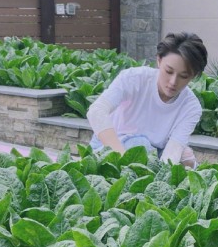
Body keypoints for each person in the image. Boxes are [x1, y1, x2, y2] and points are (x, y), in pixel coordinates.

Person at [86, 32, 208, 168]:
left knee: (187, 159)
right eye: (168, 71)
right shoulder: (134, 78)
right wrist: (121, 157)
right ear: (159, 60)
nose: (173, 82)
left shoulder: (191, 106)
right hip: (110, 145)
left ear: (194, 75)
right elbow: (96, 112)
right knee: (140, 145)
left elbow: (172, 151)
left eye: (183, 76)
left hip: (154, 151)